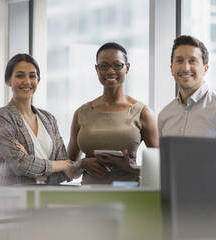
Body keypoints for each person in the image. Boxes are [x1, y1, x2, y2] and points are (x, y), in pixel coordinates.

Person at [68, 42, 159, 184]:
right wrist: (82, 164)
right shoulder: (81, 113)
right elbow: (68, 169)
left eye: (117, 65)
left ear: (127, 68)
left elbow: (160, 169)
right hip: (88, 198)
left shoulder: (142, 112)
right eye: (104, 66)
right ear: (97, 69)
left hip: (129, 198)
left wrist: (130, 168)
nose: (110, 71)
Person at [0, 54, 75, 185]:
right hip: (15, 201)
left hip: (47, 200)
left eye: (32, 76)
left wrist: (33, 166)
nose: (27, 81)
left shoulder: (49, 119)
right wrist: (62, 164)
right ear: (8, 80)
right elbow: (20, 164)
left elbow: (66, 173)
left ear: (38, 80)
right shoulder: (1, 117)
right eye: (20, 75)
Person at [158, 35, 216, 139]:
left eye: (192, 61)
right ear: (171, 68)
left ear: (205, 69)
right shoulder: (164, 116)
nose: (185, 68)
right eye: (179, 61)